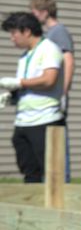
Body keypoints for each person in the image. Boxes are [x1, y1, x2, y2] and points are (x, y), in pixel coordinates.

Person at [0, 12, 65, 183]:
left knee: (51, 173)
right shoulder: (25, 56)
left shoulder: (49, 48)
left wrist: (19, 83)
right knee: (29, 172)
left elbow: (49, 80)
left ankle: (53, 208)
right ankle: (33, 206)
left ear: (27, 31)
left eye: (14, 33)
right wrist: (12, 96)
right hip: (23, 121)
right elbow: (28, 85)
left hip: (44, 120)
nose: (12, 38)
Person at [30, 0, 75, 181]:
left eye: (34, 13)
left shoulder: (59, 32)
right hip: (47, 98)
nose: (32, 18)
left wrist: (63, 92)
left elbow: (68, 60)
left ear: (44, 12)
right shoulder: (48, 35)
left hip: (57, 97)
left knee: (58, 139)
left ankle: (63, 183)